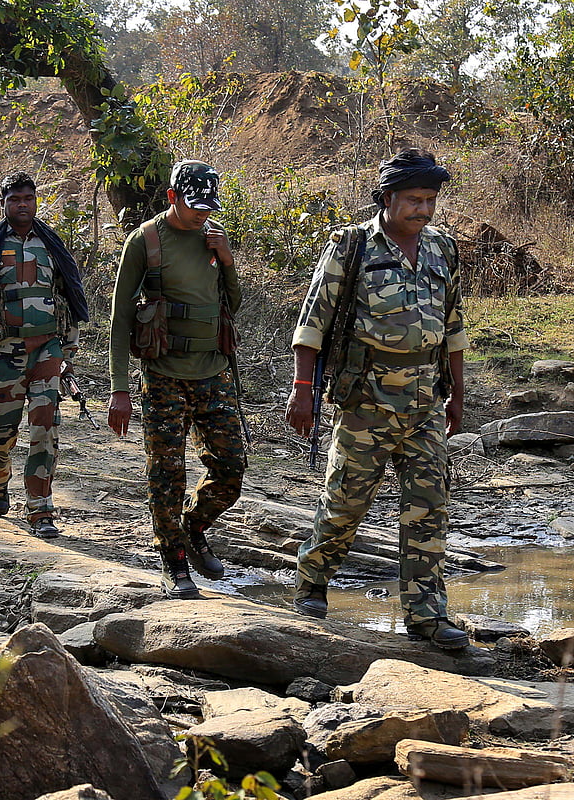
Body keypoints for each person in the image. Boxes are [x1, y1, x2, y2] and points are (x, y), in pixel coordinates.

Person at [285, 149, 470, 650]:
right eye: (414, 199)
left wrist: (455, 394)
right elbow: (313, 323)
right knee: (346, 502)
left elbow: (452, 327)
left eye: (430, 200)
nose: (424, 210)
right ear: (387, 198)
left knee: (429, 508)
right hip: (366, 399)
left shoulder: (443, 249)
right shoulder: (351, 246)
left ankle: (427, 615)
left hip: (425, 400)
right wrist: (303, 390)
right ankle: (312, 580)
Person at [107, 160, 245, 599]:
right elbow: (120, 318)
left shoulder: (213, 236)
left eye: (208, 207)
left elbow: (234, 304)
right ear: (172, 198)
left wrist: (226, 259)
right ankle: (175, 562)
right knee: (167, 474)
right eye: (193, 207)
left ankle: (192, 525)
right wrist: (119, 390)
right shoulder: (145, 240)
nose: (201, 215)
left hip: (212, 372)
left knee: (231, 469)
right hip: (164, 375)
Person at [0, 171, 88, 539]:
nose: (22, 205)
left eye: (28, 198)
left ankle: (41, 512)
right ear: (4, 203)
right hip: (6, 355)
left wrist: (68, 351)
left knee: (45, 430)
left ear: (35, 201)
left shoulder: (51, 244)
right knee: (0, 438)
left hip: (47, 351)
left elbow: (68, 298)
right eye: (14, 200)